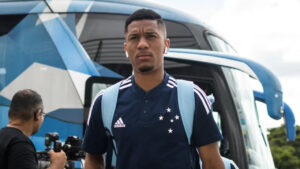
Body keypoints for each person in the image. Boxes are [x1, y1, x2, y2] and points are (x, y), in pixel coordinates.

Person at [82, 8, 225, 169]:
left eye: (151, 36)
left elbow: (213, 162)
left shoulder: (192, 97)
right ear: (126, 48)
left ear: (166, 45)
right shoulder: (105, 101)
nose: (142, 44)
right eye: (134, 38)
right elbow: (93, 159)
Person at [0, 89, 67, 169]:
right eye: (43, 114)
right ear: (38, 114)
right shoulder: (21, 145)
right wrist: (56, 165)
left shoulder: (3, 136)